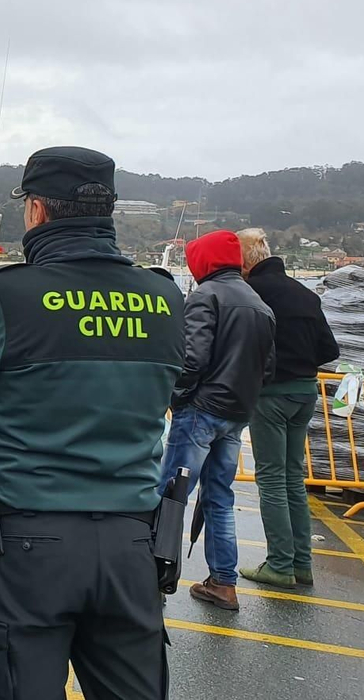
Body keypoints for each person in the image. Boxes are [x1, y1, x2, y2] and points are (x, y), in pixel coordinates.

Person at [0, 146, 186, 699]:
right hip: (131, 541)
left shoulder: (6, 294)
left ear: (38, 211)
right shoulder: (165, 297)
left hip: (28, 541)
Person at [159, 230, 275, 611]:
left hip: (200, 410)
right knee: (220, 499)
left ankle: (147, 576)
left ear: (202, 262)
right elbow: (268, 367)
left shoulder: (205, 297)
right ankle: (223, 582)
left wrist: (176, 397)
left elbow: (192, 359)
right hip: (236, 413)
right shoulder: (259, 304)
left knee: (170, 495)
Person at [236, 228, 338, 588]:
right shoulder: (305, 295)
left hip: (271, 396)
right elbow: (330, 351)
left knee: (271, 480)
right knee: (294, 478)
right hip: (305, 393)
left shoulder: (252, 294)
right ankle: (301, 563)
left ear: (244, 261)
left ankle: (279, 564)